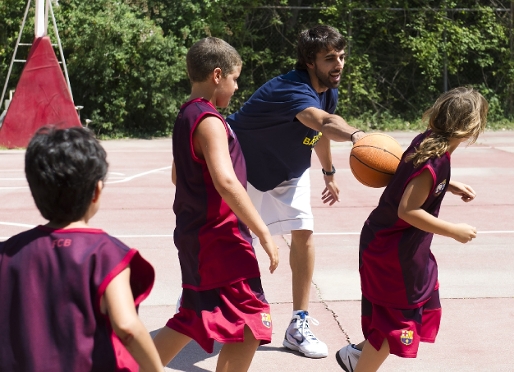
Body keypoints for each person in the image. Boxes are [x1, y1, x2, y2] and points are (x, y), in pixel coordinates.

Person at [226, 24, 366, 358]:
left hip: (288, 170)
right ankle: (199, 300)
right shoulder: (291, 89)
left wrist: (329, 172)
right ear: (309, 60)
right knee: (228, 243)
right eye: (330, 57)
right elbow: (325, 123)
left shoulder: (326, 88)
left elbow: (317, 132)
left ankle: (297, 325)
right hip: (242, 167)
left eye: (342, 56)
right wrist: (359, 136)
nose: (339, 64)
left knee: (304, 233)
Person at [336, 87, 488, 372]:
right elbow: (408, 210)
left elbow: (410, 177)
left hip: (398, 248)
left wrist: (447, 185)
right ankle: (361, 362)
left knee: (404, 310)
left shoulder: (428, 142)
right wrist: (453, 230)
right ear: (470, 129)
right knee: (394, 324)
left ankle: (357, 353)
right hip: (390, 252)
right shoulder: (434, 159)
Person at [152, 37, 279, 372]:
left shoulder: (186, 116)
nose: (237, 87)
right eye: (235, 78)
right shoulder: (209, 121)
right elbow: (225, 181)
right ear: (218, 74)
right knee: (253, 319)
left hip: (199, 235)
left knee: (196, 318)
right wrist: (262, 230)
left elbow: (178, 176)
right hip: (221, 239)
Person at [0, 126, 163, 372]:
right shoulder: (106, 254)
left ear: (34, 191)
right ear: (96, 191)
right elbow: (127, 326)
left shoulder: (7, 253)